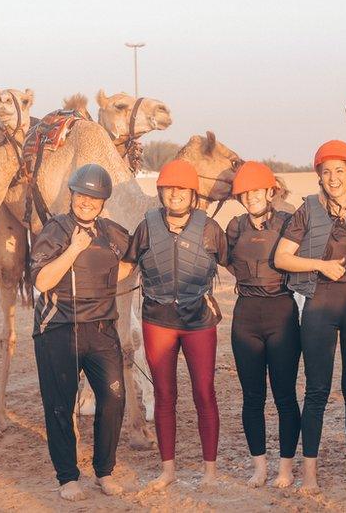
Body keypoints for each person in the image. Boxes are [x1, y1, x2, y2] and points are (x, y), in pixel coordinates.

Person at [274, 140, 346, 493]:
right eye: (326, 171)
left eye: (340, 170)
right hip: (320, 302)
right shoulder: (306, 210)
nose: (333, 177)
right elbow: (282, 258)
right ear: (318, 175)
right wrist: (320, 264)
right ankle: (310, 474)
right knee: (317, 390)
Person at [124, 159, 229, 491]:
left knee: (204, 393)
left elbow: (239, 264)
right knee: (165, 395)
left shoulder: (210, 228)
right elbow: (124, 268)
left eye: (182, 189)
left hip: (198, 321)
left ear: (193, 194)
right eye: (170, 188)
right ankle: (167, 470)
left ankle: (209, 472)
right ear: (161, 192)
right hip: (158, 320)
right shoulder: (146, 226)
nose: (176, 194)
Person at [31, 164, 132, 501]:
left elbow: (129, 263)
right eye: (82, 194)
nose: (87, 201)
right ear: (72, 194)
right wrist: (74, 249)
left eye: (95, 196)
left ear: (103, 201)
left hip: (101, 330)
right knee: (60, 404)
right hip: (59, 330)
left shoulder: (112, 232)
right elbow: (42, 281)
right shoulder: (55, 230)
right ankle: (68, 477)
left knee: (114, 398)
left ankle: (104, 471)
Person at [226, 161, 302, 488]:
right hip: (245, 315)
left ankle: (285, 467)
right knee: (252, 397)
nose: (252, 197)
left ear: (270, 191)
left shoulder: (289, 221)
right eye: (246, 192)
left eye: (257, 190)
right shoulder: (234, 226)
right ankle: (259, 466)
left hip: (282, 312)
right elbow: (228, 262)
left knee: (285, 395)